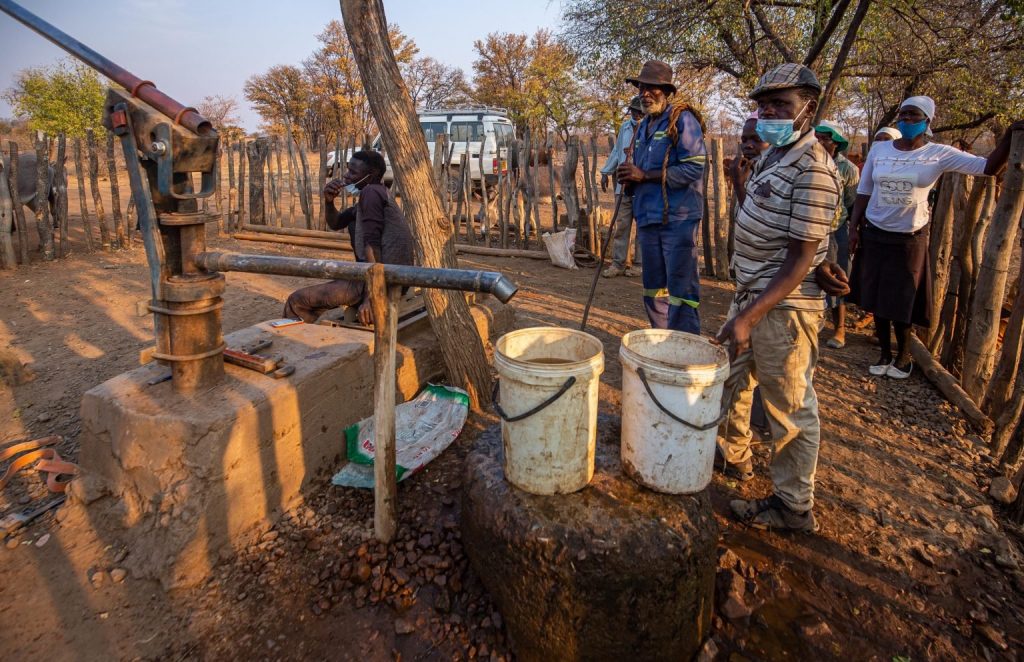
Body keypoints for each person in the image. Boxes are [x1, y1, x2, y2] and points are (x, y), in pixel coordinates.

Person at [715, 63, 841, 532]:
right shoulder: (776, 154)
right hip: (752, 294)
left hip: (782, 309)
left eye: (780, 105)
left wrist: (750, 316)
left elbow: (799, 259)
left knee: (789, 408)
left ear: (808, 109)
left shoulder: (813, 168)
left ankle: (793, 506)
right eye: (764, 105)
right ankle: (733, 456)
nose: (769, 113)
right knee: (731, 380)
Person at [849, 96, 1024, 378]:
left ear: (927, 121)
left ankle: (903, 357)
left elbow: (987, 167)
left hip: (910, 237)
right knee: (876, 294)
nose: (906, 121)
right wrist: (853, 228)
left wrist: (1008, 136)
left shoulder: (938, 154)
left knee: (903, 297)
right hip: (875, 233)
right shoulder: (880, 149)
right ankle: (883, 353)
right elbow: (864, 191)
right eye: (903, 116)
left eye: (914, 116)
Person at [616, 60, 706, 334]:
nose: (645, 93)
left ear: (666, 91)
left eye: (652, 88)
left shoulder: (682, 120)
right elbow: (641, 170)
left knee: (680, 288)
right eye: (642, 87)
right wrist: (630, 179)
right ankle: (661, 342)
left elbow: (694, 166)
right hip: (648, 217)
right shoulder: (643, 126)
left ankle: (685, 346)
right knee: (653, 286)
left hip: (677, 218)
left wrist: (644, 175)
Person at [283, 150, 414, 324]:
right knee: (321, 298)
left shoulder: (371, 194)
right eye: (348, 170)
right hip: (391, 278)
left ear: (371, 175)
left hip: (380, 280)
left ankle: (296, 343)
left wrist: (372, 297)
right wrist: (329, 201)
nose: (347, 175)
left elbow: (372, 245)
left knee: (297, 301)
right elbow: (336, 223)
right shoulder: (378, 193)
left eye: (353, 172)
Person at [814, 121, 860, 349]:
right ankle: (814, 323)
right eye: (817, 137)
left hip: (835, 229)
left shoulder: (848, 169)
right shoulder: (808, 162)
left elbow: (850, 202)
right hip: (812, 228)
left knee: (836, 277)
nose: (820, 142)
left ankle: (839, 329)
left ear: (837, 143)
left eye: (826, 139)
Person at [600, 96, 645, 278]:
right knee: (622, 225)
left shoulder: (650, 128)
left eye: (640, 111)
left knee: (642, 226)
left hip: (642, 185)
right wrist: (605, 172)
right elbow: (617, 153)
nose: (637, 114)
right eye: (635, 111)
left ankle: (639, 264)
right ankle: (618, 264)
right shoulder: (625, 128)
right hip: (624, 185)